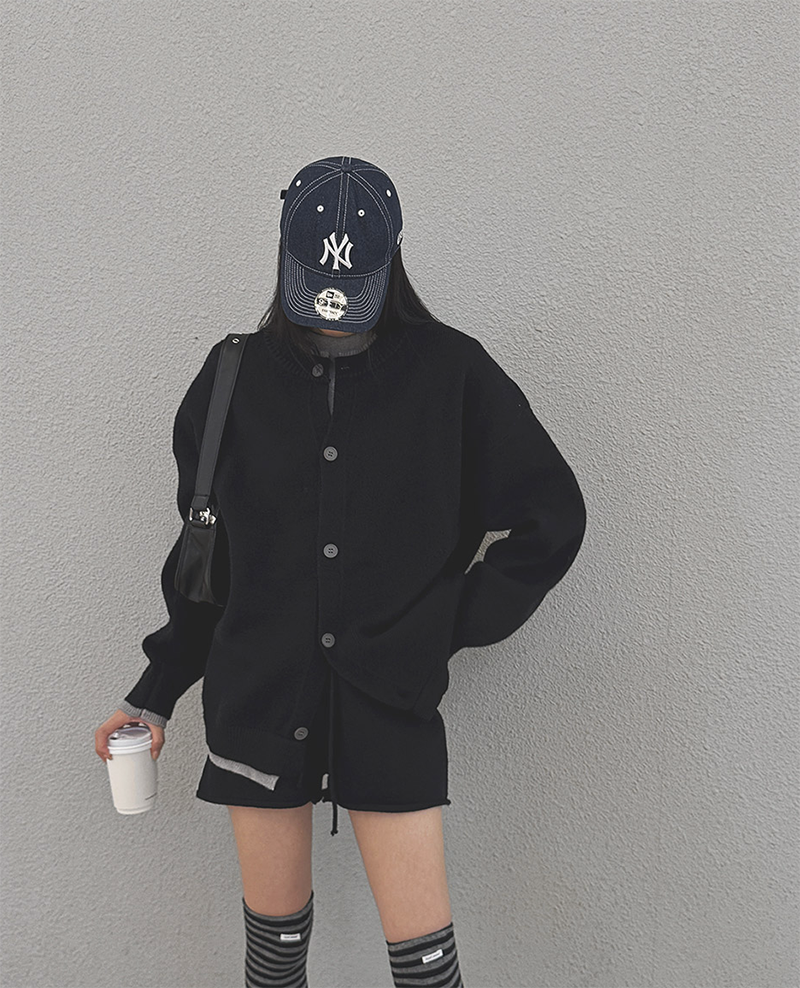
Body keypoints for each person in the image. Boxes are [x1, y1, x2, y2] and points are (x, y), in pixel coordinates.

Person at [95, 155, 587, 988]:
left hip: (389, 704)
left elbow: (553, 518)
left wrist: (441, 624)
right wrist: (153, 692)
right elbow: (204, 564)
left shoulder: (453, 373)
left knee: (426, 970)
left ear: (391, 260)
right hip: (257, 705)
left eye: (351, 292)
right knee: (274, 964)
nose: (331, 316)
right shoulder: (229, 380)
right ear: (283, 255)